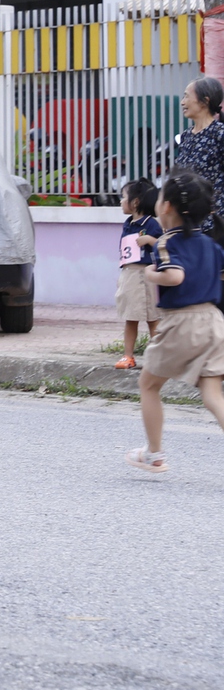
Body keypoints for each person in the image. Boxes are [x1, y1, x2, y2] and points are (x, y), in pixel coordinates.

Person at [129, 169, 224, 474]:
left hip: (182, 323)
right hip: (214, 322)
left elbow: (175, 275)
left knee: (149, 384)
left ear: (166, 207)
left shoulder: (165, 243)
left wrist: (150, 274)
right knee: (212, 395)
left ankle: (154, 454)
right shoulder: (213, 246)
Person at [115, 177, 162, 371]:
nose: (120, 201)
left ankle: (159, 357)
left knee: (153, 317)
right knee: (130, 316)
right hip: (129, 274)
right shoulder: (128, 223)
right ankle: (128, 356)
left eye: (123, 197)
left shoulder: (152, 224)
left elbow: (164, 245)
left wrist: (150, 240)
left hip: (145, 274)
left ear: (135, 202)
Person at [174, 77, 224, 245]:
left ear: (205, 101)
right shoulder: (186, 136)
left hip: (215, 222)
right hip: (187, 223)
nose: (183, 102)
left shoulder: (220, 134)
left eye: (187, 96)